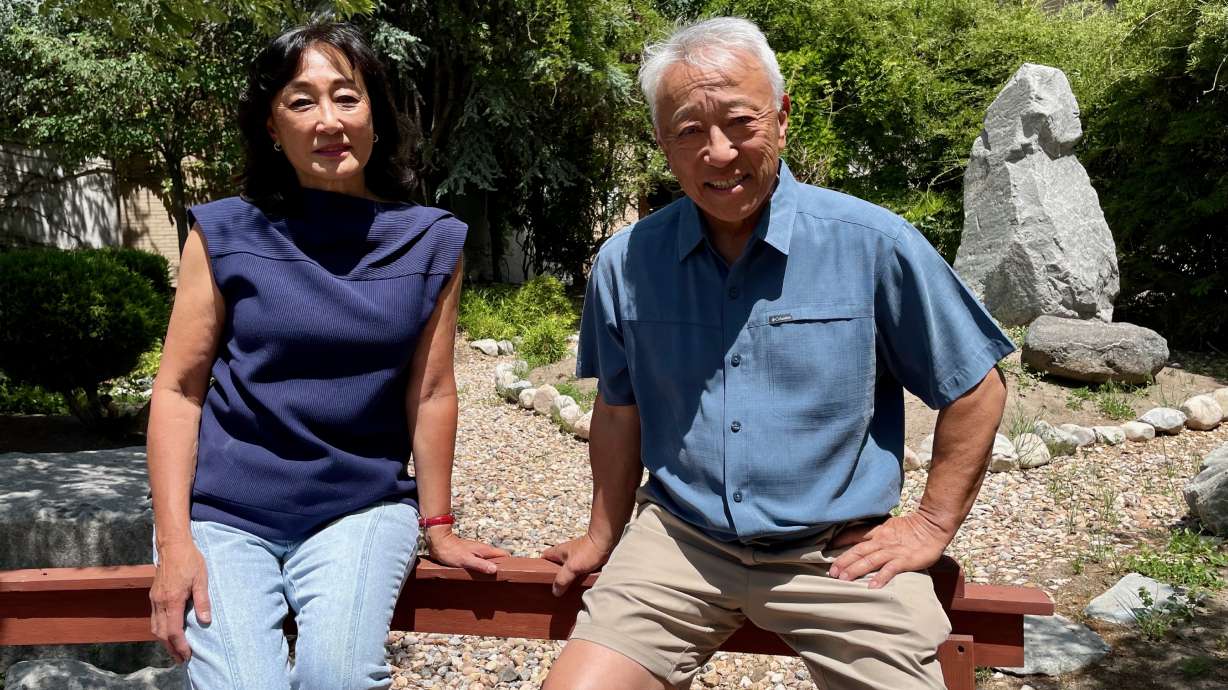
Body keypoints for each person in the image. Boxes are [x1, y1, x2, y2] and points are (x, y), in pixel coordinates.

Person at [542, 16, 1012, 690]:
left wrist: (932, 523)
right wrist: (599, 535)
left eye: (741, 122)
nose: (719, 152)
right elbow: (620, 409)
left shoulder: (873, 244)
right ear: (663, 144)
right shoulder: (627, 263)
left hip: (837, 558)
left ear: (782, 118)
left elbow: (975, 386)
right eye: (689, 131)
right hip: (680, 543)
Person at [145, 22, 506, 690]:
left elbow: (430, 391)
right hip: (226, 515)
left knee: (337, 675)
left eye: (347, 96)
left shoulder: (431, 241)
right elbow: (178, 390)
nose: (329, 120)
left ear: (376, 114)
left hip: (360, 509)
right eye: (301, 101)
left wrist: (439, 525)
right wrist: (173, 543)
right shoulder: (225, 232)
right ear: (272, 126)